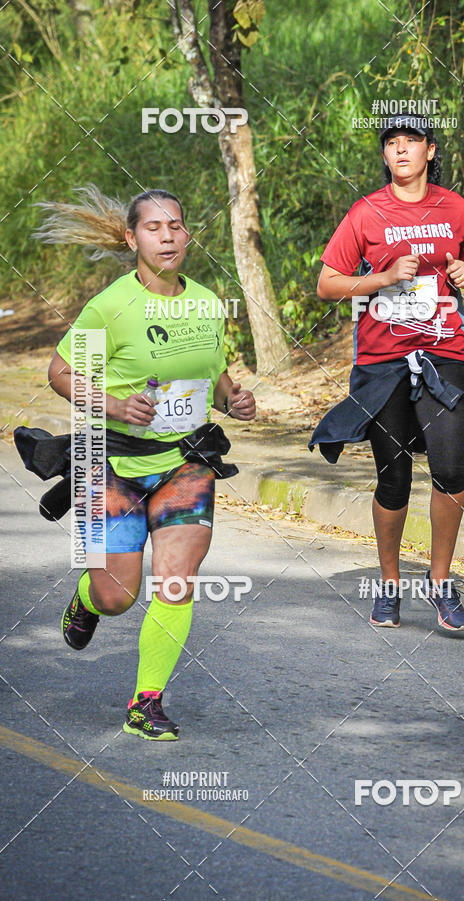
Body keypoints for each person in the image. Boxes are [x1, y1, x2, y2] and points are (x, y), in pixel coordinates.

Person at [39, 185, 256, 739]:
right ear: (133, 237)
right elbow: (61, 373)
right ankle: (88, 599)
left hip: (186, 462)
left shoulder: (207, 302)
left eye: (176, 226)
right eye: (155, 228)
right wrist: (115, 404)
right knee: (118, 594)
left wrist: (233, 397)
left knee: (177, 581)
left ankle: (146, 702)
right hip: (112, 461)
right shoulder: (111, 306)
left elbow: (213, 367)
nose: (168, 237)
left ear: (187, 234)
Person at [311, 115, 464, 632]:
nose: (401, 150)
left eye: (411, 142)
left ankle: (440, 582)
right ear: (385, 156)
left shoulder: (456, 208)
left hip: (443, 352)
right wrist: (383, 277)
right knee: (395, 478)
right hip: (383, 361)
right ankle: (389, 586)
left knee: (451, 471)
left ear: (430, 150)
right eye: (392, 143)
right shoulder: (365, 213)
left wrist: (463, 274)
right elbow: (327, 284)